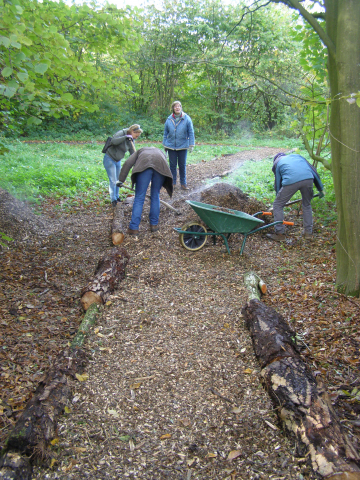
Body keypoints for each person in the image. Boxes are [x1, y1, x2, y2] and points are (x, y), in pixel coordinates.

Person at [266, 152, 324, 242]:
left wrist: (278, 201)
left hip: (291, 180)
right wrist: (320, 189)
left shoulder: (277, 162)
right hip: (308, 179)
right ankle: (308, 233)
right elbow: (313, 171)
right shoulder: (298, 156)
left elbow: (278, 183)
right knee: (307, 205)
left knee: (277, 205)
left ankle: (280, 234)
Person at [117, 147, 173, 235]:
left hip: (144, 169)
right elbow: (165, 164)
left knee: (139, 197)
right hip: (160, 169)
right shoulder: (160, 152)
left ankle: (134, 228)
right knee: (155, 195)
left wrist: (120, 180)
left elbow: (128, 163)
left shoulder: (140, 151)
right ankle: (154, 225)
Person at [103, 124, 143, 207]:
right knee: (113, 180)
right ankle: (113, 199)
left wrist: (138, 163)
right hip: (109, 159)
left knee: (118, 181)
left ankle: (117, 197)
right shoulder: (122, 133)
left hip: (118, 161)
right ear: (132, 131)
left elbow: (133, 153)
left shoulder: (131, 140)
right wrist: (125, 137)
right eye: (136, 135)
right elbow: (113, 141)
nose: (136, 137)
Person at [163, 100, 195, 191]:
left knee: (182, 165)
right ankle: (172, 183)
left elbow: (191, 132)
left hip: (183, 145)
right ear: (173, 108)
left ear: (181, 108)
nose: (177, 108)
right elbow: (165, 133)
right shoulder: (169, 119)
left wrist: (191, 144)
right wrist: (165, 144)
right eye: (175, 106)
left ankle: (183, 183)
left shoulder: (186, 118)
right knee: (172, 165)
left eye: (179, 106)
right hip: (171, 146)